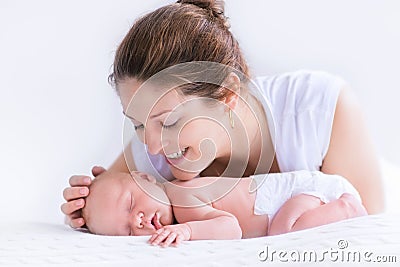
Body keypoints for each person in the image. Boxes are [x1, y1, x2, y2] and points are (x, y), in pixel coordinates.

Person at [61, 0, 385, 229]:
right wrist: (84, 209)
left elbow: (366, 227)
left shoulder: (318, 109)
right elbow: (110, 201)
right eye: (137, 124)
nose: (153, 147)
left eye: (170, 121)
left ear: (227, 92)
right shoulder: (153, 149)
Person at [81, 170, 367, 247]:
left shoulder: (182, 195)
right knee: (282, 229)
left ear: (146, 178)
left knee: (283, 231)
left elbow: (231, 228)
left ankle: (346, 208)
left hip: (307, 192)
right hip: (302, 195)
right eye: (126, 230)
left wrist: (188, 231)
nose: (138, 220)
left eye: (131, 204)